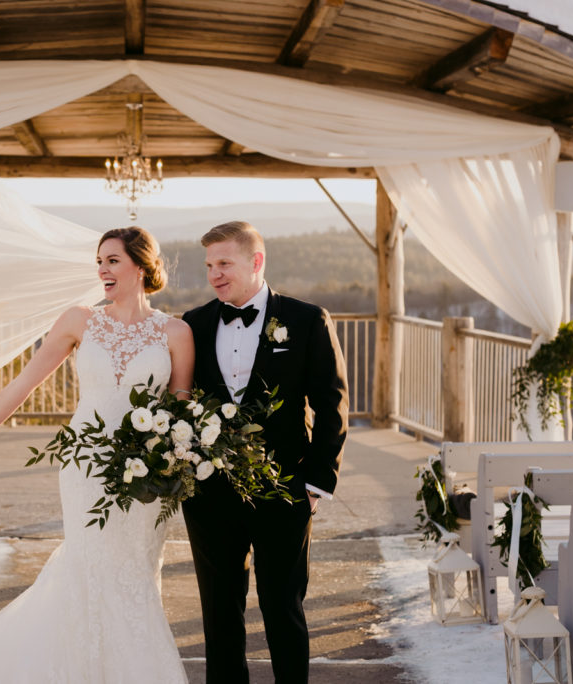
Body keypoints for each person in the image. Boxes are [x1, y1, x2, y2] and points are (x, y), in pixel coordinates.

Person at [0, 226, 194, 683]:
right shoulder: (79, 320)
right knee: (89, 567)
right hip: (86, 465)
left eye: (113, 261)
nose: (102, 270)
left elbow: (181, 410)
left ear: (141, 266)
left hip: (146, 476)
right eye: (99, 261)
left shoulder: (176, 332)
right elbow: (23, 384)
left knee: (136, 574)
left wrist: (172, 463)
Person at [181, 221, 349, 683]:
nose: (214, 274)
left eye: (224, 263)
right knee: (219, 616)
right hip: (210, 494)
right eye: (209, 265)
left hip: (285, 489)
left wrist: (315, 485)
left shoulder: (306, 319)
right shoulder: (192, 324)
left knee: (283, 611)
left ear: (256, 262)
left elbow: (332, 404)